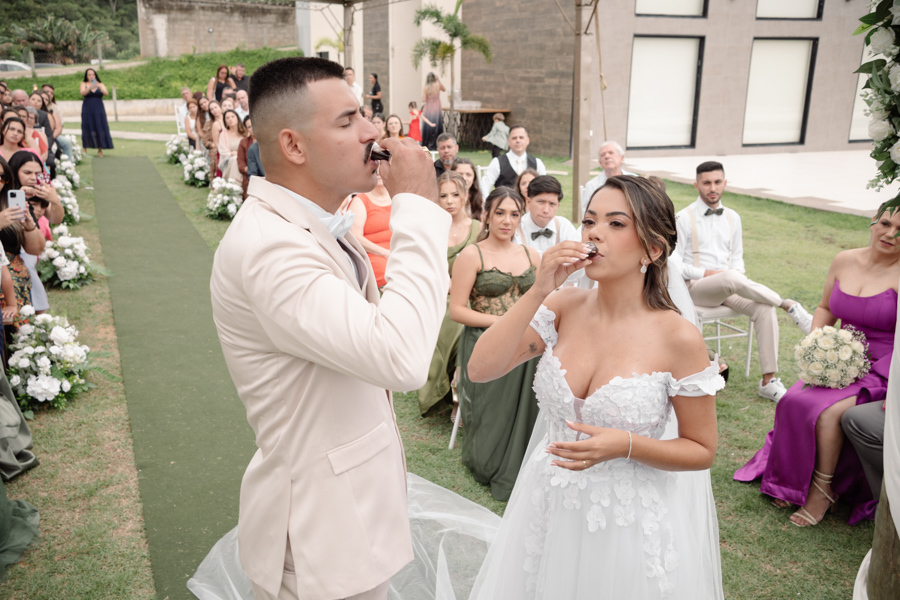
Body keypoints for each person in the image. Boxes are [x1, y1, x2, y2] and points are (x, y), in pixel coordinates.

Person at [206, 56, 449, 600]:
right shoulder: (271, 249)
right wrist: (415, 207)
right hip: (320, 536)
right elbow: (402, 357)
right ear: (293, 146)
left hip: (353, 515)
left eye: (364, 114)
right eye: (347, 120)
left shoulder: (310, 221)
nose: (371, 132)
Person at [456, 175, 724, 598]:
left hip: (625, 522)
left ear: (653, 249)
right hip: (546, 503)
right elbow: (480, 368)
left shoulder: (678, 338)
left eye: (616, 224)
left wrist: (627, 445)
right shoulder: (563, 306)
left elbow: (701, 450)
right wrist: (540, 289)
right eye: (588, 221)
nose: (594, 233)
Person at [735, 204, 900, 526]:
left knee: (827, 413)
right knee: (792, 400)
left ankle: (822, 490)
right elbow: (825, 308)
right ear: (873, 221)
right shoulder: (844, 260)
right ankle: (789, 481)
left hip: (882, 367)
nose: (890, 234)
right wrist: (817, 347)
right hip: (837, 357)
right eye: (885, 223)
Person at [672, 161, 813, 402]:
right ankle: (787, 304)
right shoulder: (683, 218)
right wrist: (710, 274)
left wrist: (733, 275)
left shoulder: (733, 217)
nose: (712, 188)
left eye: (717, 182)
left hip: (729, 286)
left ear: (725, 183)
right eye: (707, 183)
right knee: (729, 277)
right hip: (696, 289)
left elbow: (737, 260)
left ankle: (768, 381)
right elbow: (676, 265)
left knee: (764, 308)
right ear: (696, 185)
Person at [449, 187, 542, 501]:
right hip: (485, 341)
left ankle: (523, 461)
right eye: (500, 213)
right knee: (494, 414)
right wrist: (504, 325)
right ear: (486, 215)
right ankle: (490, 460)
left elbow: (542, 302)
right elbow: (457, 310)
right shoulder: (471, 255)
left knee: (529, 406)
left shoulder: (532, 256)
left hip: (526, 345)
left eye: (514, 214)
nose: (507, 221)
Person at [418, 172, 480, 417]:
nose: (450, 201)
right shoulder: (431, 230)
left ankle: (459, 382)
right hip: (438, 294)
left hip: (473, 294)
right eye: (443, 196)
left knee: (466, 315)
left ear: (465, 196)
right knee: (454, 318)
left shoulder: (479, 229)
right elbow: (425, 269)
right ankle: (456, 385)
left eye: (455, 194)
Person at [514, 175, 580, 257]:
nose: (546, 210)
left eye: (552, 204)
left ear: (558, 206)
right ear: (528, 202)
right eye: (541, 202)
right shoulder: (515, 229)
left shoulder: (564, 228)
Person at [348, 172, 392, 289]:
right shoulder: (360, 200)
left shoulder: (397, 198)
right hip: (374, 256)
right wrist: (385, 253)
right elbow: (355, 236)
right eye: (375, 168)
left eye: (381, 167)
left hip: (398, 253)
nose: (378, 172)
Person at [479, 125, 547, 197]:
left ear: (527, 140)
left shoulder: (537, 163)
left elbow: (545, 188)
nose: (518, 141)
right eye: (514, 138)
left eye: (521, 137)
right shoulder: (497, 162)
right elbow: (484, 187)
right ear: (508, 141)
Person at [580, 141, 636, 220]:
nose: (607, 156)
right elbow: (586, 216)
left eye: (611, 153)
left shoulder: (634, 180)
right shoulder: (592, 185)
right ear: (600, 162)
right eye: (602, 155)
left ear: (622, 158)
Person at [80, 69, 113, 158]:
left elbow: (106, 93)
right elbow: (82, 93)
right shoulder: (84, 84)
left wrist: (99, 86)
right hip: (87, 109)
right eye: (89, 74)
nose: (91, 76)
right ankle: (84, 149)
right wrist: (89, 87)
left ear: (95, 75)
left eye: (93, 74)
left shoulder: (100, 84)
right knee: (86, 127)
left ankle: (100, 150)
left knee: (99, 126)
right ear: (86, 76)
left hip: (99, 109)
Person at [217, 109, 246, 183]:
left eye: (232, 116)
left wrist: (239, 154)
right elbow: (223, 151)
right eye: (227, 118)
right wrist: (232, 153)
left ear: (237, 118)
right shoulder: (223, 134)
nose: (230, 119)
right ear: (225, 121)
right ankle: (234, 184)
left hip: (245, 158)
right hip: (229, 159)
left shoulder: (245, 132)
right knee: (234, 160)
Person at [421, 72, 444, 150]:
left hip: (429, 108)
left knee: (428, 124)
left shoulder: (426, 87)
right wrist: (439, 80)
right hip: (437, 107)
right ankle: (436, 143)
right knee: (437, 123)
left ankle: (427, 143)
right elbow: (444, 89)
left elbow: (423, 99)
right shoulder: (438, 85)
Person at [237, 116, 256, 199]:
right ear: (247, 129)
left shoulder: (267, 141)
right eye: (249, 127)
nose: (253, 128)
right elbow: (241, 166)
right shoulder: (244, 143)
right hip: (251, 176)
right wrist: (254, 170)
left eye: (254, 124)